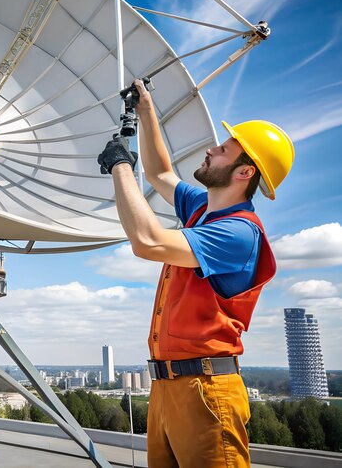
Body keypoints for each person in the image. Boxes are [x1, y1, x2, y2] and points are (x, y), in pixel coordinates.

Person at [97, 79, 294, 468]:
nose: (211, 149)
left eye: (223, 150)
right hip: (167, 387)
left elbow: (148, 242)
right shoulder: (203, 211)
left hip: (206, 392)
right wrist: (146, 110)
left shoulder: (238, 232)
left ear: (244, 172)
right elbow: (160, 176)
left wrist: (120, 166)